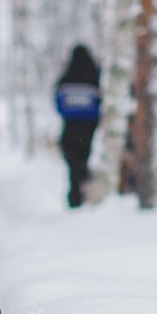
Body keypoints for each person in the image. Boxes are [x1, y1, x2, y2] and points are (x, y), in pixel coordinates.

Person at [54, 44, 102, 208]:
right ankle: (88, 197)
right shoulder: (95, 78)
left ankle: (75, 198)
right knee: (86, 165)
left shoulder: (65, 79)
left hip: (70, 131)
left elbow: (58, 105)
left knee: (74, 168)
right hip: (90, 131)